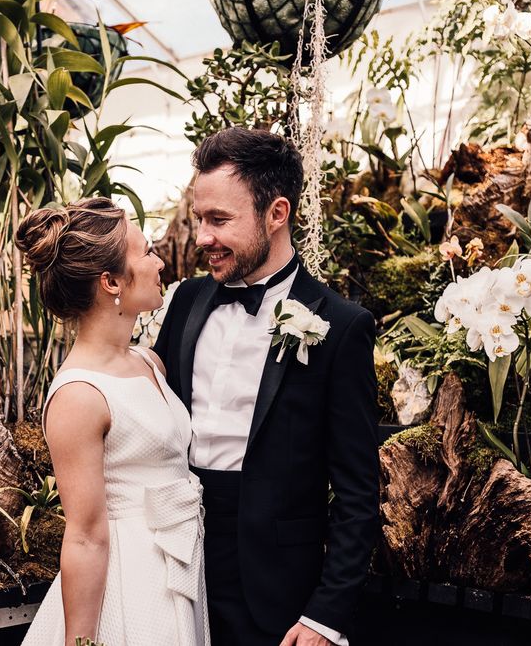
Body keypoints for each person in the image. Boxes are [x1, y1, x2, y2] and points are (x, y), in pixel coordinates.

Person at [153, 128, 379, 646]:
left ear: (277, 214)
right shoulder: (185, 302)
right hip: (172, 568)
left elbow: (358, 492)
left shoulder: (341, 327)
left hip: (276, 592)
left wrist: (326, 614)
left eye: (219, 220)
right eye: (199, 219)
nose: (202, 237)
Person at [17, 197, 209, 646]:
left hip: (178, 568)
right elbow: (84, 536)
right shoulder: (78, 396)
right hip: (132, 585)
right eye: (146, 253)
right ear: (110, 281)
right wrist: (81, 641)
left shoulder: (148, 363)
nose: (160, 262)